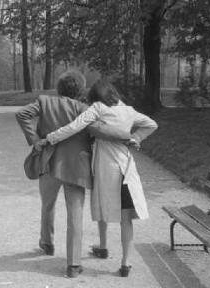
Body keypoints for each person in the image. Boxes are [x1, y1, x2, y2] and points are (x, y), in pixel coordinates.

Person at [37, 79, 158, 277]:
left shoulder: (98, 108)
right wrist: (136, 138)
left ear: (95, 96)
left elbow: (74, 127)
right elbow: (151, 124)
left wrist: (49, 138)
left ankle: (103, 245)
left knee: (102, 205)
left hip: (105, 167)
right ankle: (126, 263)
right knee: (126, 217)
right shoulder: (129, 110)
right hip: (126, 168)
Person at [15, 71, 126, 278]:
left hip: (48, 163)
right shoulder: (84, 109)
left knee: (47, 205)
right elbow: (102, 129)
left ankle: (47, 243)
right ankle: (73, 264)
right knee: (75, 214)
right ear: (80, 90)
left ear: (59, 87)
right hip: (77, 167)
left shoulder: (44, 102)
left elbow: (21, 114)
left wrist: (35, 139)